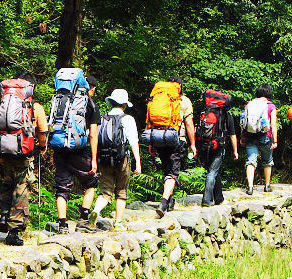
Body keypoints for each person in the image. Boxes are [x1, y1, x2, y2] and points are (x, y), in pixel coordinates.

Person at [0, 72, 48, 246]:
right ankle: (14, 231)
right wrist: (42, 146)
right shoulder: (34, 106)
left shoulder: (2, 104)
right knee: (21, 190)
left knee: (6, 185)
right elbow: (42, 131)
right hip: (24, 155)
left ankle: (3, 217)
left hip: (3, 153)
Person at [89, 89, 142, 231]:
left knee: (105, 191)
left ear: (111, 102)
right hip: (122, 159)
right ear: (124, 105)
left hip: (104, 159)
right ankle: (118, 223)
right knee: (121, 191)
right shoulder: (128, 119)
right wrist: (138, 161)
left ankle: (96, 210)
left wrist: (95, 158)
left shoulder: (102, 119)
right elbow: (133, 142)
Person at [53, 74, 100, 234]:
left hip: (60, 147)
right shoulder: (90, 104)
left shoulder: (61, 100)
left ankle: (62, 225)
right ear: (91, 88)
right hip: (81, 150)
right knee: (91, 182)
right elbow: (93, 134)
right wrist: (94, 159)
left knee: (62, 188)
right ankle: (83, 220)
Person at [152, 76, 197, 218]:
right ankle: (164, 202)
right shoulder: (183, 101)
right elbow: (189, 124)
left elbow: (151, 121)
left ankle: (170, 201)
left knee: (166, 168)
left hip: (159, 138)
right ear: (180, 86)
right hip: (177, 139)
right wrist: (193, 144)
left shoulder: (157, 98)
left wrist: (152, 143)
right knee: (173, 172)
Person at [241, 84, 278, 194]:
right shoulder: (271, 106)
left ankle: (250, 187)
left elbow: (244, 122)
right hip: (265, 136)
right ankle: (267, 186)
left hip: (250, 135)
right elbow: (273, 124)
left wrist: (242, 137)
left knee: (251, 160)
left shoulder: (249, 104)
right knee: (267, 161)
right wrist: (275, 140)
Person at [200, 108, 239, 207]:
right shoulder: (226, 115)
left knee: (213, 171)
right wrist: (235, 151)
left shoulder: (205, 112)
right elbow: (232, 134)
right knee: (212, 172)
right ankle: (206, 200)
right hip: (218, 147)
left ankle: (219, 198)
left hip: (204, 146)